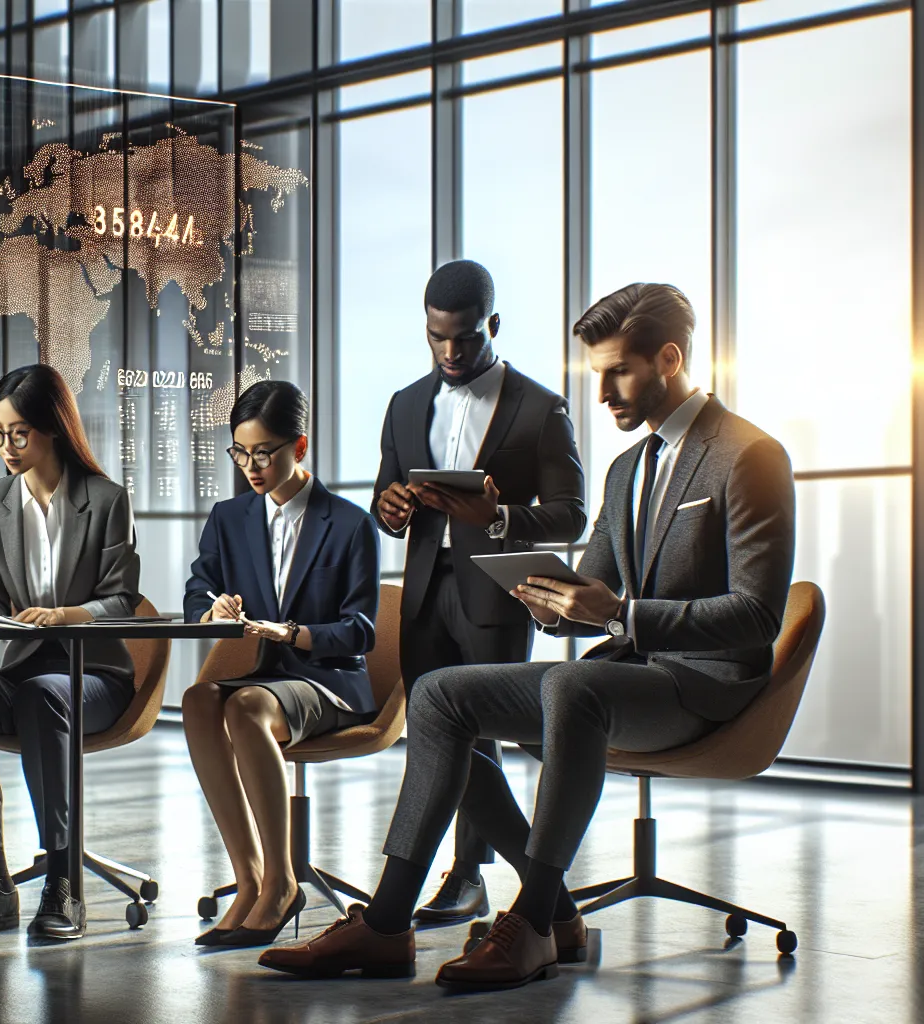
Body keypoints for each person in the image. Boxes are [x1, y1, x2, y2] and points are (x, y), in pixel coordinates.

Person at [261, 282, 796, 989]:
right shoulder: (627, 467)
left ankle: (536, 920)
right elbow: (591, 590)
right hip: (630, 672)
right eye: (595, 372)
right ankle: (388, 922)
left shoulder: (749, 455)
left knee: (574, 686)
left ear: (669, 358)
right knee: (440, 697)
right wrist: (548, 598)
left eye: (618, 371)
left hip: (707, 684)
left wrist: (620, 616)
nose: (602, 391)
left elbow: (758, 616)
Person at [369, 259, 585, 926]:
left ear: (492, 325)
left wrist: (497, 517)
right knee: (436, 736)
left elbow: (573, 514)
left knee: (478, 734)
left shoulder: (540, 407)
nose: (451, 352)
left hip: (496, 594)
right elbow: (384, 496)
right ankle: (516, 889)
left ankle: (466, 875)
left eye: (465, 338)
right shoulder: (405, 404)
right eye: (438, 338)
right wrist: (393, 508)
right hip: (423, 595)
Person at [0, 364, 141, 941]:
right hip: (29, 666)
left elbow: (123, 599)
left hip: (97, 674)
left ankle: (63, 878)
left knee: (42, 696)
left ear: (54, 429)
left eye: (19, 434)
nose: (5, 446)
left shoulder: (105, 500)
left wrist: (64, 616)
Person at [181, 381, 381, 948]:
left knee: (245, 706)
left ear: (300, 446)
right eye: (239, 452)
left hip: (328, 678)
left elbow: (361, 630)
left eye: (263, 452)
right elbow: (199, 589)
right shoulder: (229, 517)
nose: (250, 466)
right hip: (265, 674)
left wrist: (293, 633)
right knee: (199, 699)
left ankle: (281, 882)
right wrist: (212, 610)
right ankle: (248, 881)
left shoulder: (348, 523)